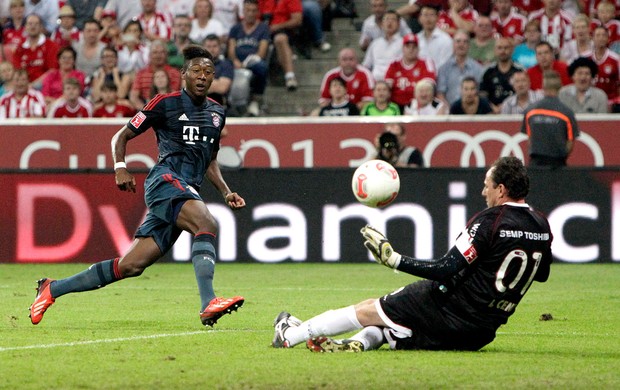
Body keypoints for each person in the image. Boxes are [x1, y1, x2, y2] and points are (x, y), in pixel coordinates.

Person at [29, 45, 246, 328]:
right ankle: (208, 302)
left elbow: (209, 160)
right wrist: (120, 167)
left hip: (184, 190)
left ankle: (51, 288)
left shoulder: (217, 114)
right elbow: (121, 136)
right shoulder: (164, 103)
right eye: (196, 71)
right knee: (206, 222)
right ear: (183, 74)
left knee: (131, 265)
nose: (203, 76)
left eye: (208, 72)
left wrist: (226, 191)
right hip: (164, 181)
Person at [272, 155, 552, 352]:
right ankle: (358, 343)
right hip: (480, 333)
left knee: (369, 309)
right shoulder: (541, 224)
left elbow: (446, 267)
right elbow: (542, 275)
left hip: (448, 308)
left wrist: (393, 259)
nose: (483, 191)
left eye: (487, 185)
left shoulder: (491, 221)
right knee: (392, 328)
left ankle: (290, 335)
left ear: (501, 190)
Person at [521, 70, 580, 168]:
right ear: (560, 86)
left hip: (535, 164)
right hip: (558, 165)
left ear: (543, 87)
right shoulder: (566, 113)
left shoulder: (530, 112)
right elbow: (570, 142)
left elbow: (530, 139)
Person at [227, 0, 270, 115]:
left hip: (253, 61)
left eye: (253, 11)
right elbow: (231, 49)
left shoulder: (263, 28)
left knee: (262, 67)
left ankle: (256, 100)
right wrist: (235, 60)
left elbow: (262, 52)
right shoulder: (235, 28)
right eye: (248, 10)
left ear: (258, 12)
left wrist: (245, 64)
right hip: (236, 61)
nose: (250, 13)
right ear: (243, 11)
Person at [384, 33, 436, 111]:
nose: (411, 49)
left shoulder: (426, 63)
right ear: (403, 48)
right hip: (396, 105)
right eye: (408, 46)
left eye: (414, 47)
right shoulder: (394, 64)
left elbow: (429, 86)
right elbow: (387, 86)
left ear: (418, 49)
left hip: (418, 105)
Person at [261, 0, 302, 90]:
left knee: (280, 39)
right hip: (263, 30)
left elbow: (297, 20)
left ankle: (290, 76)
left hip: (284, 30)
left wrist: (278, 26)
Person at [129, 39, 182, 110]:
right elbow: (133, 97)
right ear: (149, 55)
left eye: (161, 52)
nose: (158, 56)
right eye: (155, 52)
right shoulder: (141, 74)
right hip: (146, 110)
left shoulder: (175, 73)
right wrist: (146, 111)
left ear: (166, 55)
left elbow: (175, 94)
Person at [436, 29, 484, 105]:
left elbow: (481, 93)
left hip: (473, 113)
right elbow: (440, 94)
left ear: (469, 45)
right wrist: (448, 111)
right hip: (449, 112)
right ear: (453, 44)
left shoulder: (478, 69)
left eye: (465, 42)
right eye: (458, 41)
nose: (461, 44)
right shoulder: (444, 68)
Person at [12, 14, 59, 88]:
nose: (33, 26)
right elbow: (17, 71)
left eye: (36, 24)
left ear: (41, 27)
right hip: (23, 86)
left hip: (45, 86)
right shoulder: (20, 48)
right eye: (30, 24)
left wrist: (33, 85)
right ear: (25, 27)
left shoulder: (51, 46)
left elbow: (52, 71)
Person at [479, 37, 523, 113]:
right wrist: (492, 107)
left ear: (512, 50)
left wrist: (505, 106)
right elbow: (482, 94)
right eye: (499, 48)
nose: (503, 51)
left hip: (514, 112)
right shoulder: (488, 71)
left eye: (506, 48)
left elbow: (523, 93)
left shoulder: (519, 71)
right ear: (495, 50)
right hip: (492, 112)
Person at [362, 10, 404, 82]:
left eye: (393, 19)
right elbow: (366, 65)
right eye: (387, 19)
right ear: (382, 24)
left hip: (396, 81)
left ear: (399, 24)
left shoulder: (403, 43)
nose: (389, 22)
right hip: (375, 82)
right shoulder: (375, 43)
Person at [415, 5, 453, 69]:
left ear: (438, 18)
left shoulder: (446, 40)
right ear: (420, 18)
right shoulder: (416, 39)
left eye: (431, 15)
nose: (428, 19)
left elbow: (445, 65)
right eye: (425, 15)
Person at [589, 26, 620, 104]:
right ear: (592, 38)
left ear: (608, 38)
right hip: (590, 101)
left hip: (610, 101)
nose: (601, 38)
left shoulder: (616, 59)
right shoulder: (585, 58)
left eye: (604, 35)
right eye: (598, 35)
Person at [204, 34, 234, 108]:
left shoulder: (226, 64)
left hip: (218, 104)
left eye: (214, 46)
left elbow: (222, 88)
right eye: (208, 47)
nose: (211, 49)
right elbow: (186, 86)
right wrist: (215, 83)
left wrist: (198, 84)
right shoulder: (195, 64)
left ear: (220, 48)